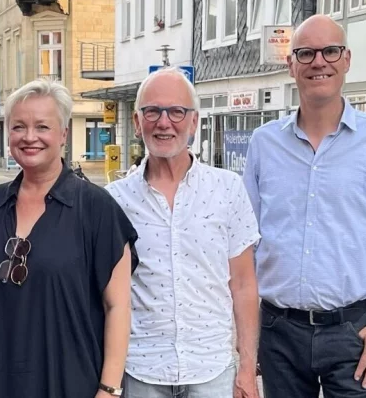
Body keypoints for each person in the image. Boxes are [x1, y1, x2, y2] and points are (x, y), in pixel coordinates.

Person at [242, 15, 366, 398]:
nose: (318, 62)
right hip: (278, 334)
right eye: (305, 53)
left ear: (346, 59)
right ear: (291, 64)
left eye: (330, 51)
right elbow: (245, 243)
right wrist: (246, 335)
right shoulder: (264, 144)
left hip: (355, 333)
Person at [0, 79, 139, 398]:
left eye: (42, 126)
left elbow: (118, 306)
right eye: (19, 127)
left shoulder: (96, 208)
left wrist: (109, 390)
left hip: (71, 384)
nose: (29, 137)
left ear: (63, 134)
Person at [105, 67, 261, 397]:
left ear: (194, 122)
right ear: (137, 122)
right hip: (141, 373)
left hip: (212, 372)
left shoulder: (228, 189)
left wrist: (247, 368)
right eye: (152, 111)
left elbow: (245, 285)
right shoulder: (113, 200)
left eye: (177, 111)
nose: (164, 122)